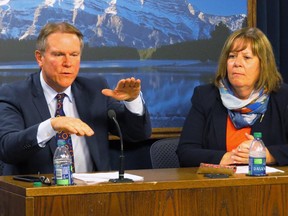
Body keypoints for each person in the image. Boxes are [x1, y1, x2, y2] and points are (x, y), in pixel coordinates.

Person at [0, 22, 151, 175]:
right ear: (40, 58)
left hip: (93, 193)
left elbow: (137, 134)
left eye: (74, 55)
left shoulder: (94, 89)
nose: (68, 63)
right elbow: (7, 149)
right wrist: (52, 125)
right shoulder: (14, 94)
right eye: (59, 54)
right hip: (39, 194)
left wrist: (132, 101)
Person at [177, 27, 288, 167]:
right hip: (218, 185)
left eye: (246, 57)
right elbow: (185, 152)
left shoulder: (282, 97)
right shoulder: (205, 96)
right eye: (232, 56)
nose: (237, 63)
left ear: (263, 64)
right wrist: (226, 158)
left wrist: (268, 155)